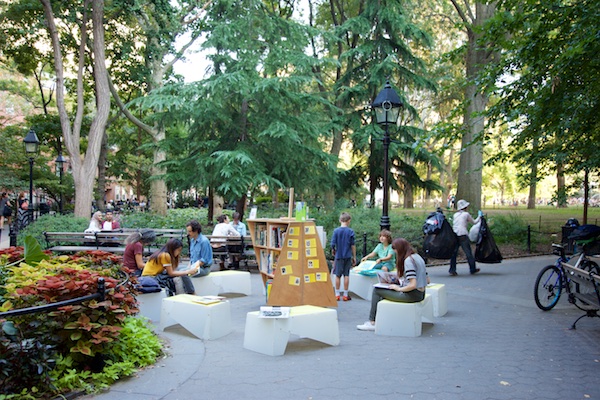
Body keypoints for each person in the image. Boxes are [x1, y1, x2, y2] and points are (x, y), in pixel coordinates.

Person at [357, 237, 427, 331]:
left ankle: (372, 322)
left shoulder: (408, 261)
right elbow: (427, 279)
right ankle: (382, 320)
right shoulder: (417, 257)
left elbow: (413, 285)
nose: (395, 253)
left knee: (377, 291)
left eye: (395, 250)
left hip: (412, 295)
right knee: (386, 290)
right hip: (421, 293)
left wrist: (398, 288)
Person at [449, 199, 483, 276]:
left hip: (455, 234)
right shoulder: (466, 214)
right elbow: (474, 222)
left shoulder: (455, 215)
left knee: (454, 253)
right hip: (463, 234)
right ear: (465, 207)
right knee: (468, 252)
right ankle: (472, 269)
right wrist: (479, 216)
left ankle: (452, 269)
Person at [330, 212, 356, 301]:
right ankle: (345, 295)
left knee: (337, 275)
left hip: (339, 256)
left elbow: (332, 244)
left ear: (340, 220)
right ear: (349, 221)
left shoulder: (336, 231)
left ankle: (337, 294)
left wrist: (334, 251)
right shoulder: (350, 231)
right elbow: (353, 245)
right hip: (347, 255)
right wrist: (354, 256)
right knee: (346, 275)